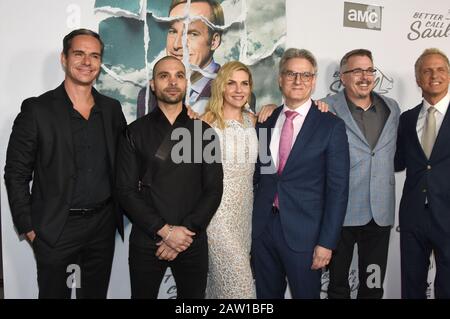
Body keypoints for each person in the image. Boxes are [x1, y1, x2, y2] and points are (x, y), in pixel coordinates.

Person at [4, 29, 127, 298]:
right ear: (64, 58)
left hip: (101, 226)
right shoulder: (37, 110)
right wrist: (29, 228)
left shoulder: (112, 109)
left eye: (94, 56)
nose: (87, 62)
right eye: (79, 54)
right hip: (55, 227)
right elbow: (16, 172)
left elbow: (131, 153)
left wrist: (181, 115)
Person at [116, 56, 223, 299]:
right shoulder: (134, 132)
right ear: (153, 84)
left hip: (191, 238)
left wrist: (185, 232)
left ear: (186, 83)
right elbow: (125, 191)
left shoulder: (203, 132)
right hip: (148, 238)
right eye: (164, 76)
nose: (172, 82)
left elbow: (213, 189)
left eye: (179, 76)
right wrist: (164, 231)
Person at [251, 48, 350, 299]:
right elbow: (259, 175)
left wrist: (327, 243)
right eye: (291, 74)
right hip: (263, 230)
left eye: (305, 75)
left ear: (314, 81)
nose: (298, 81)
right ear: (280, 79)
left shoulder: (331, 125)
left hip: (306, 235)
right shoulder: (266, 120)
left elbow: (338, 190)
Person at [323, 49, 401, 299]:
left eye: (369, 70)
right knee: (337, 285)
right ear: (343, 77)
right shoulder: (326, 107)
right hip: (341, 213)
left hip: (379, 217)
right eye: (357, 70)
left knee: (373, 283)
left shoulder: (392, 108)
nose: (365, 76)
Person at [395, 48, 450, 299]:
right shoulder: (406, 119)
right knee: (411, 286)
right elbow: (396, 162)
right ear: (418, 79)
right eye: (427, 70)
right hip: (413, 217)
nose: (434, 75)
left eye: (440, 69)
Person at [202, 61, 258, 298]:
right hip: (217, 217)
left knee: (221, 289)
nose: (238, 89)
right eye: (231, 83)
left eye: (244, 83)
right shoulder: (205, 122)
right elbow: (192, 176)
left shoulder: (253, 120)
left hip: (245, 214)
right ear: (221, 87)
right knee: (242, 288)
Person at [137, 0, 229, 117]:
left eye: (192, 33)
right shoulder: (147, 96)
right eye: (173, 31)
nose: (176, 44)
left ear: (214, 41)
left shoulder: (235, 93)